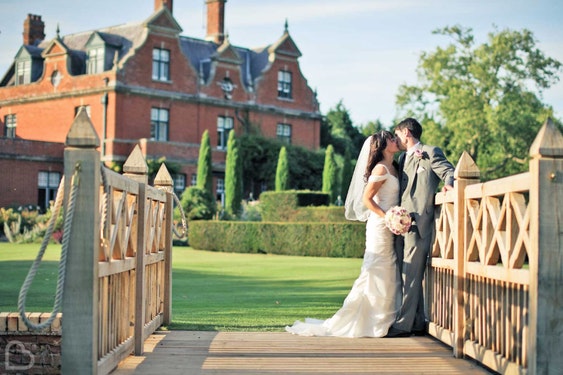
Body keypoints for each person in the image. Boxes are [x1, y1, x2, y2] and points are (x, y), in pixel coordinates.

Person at [285, 130, 401, 338]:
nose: (395, 140)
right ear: (383, 145)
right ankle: (371, 320)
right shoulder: (381, 168)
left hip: (390, 225)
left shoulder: (394, 166)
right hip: (380, 225)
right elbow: (367, 199)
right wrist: (388, 217)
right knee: (376, 269)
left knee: (389, 268)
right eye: (391, 138)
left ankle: (384, 317)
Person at [386, 118, 455, 337]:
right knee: (405, 271)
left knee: (410, 274)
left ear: (406, 132)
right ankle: (416, 322)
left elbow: (449, 171)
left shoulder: (430, 151)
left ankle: (403, 324)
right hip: (400, 224)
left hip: (420, 223)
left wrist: (449, 185)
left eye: (397, 134)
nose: (395, 139)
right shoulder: (403, 156)